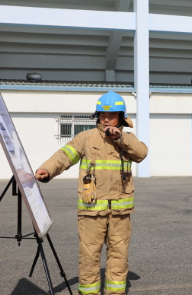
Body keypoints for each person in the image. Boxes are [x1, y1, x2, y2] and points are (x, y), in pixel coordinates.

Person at [35, 91, 148, 295]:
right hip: (90, 211)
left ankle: (115, 292)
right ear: (97, 116)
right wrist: (47, 169)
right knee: (89, 256)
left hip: (120, 213)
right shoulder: (85, 138)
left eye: (111, 115)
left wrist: (121, 137)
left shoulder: (128, 139)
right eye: (102, 115)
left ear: (121, 117)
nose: (106, 119)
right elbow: (64, 156)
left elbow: (141, 153)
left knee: (119, 255)